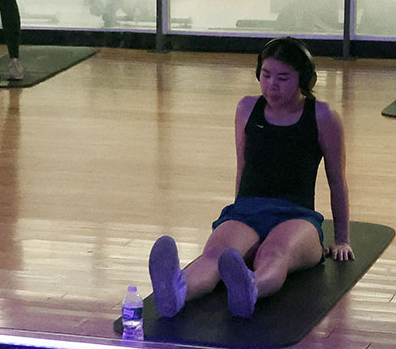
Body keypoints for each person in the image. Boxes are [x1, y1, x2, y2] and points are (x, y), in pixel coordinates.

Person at [147, 38, 353, 320]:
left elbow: (336, 180)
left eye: (283, 78)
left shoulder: (322, 116)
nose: (272, 85)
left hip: (298, 216)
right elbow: (242, 168)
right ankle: (177, 290)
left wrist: (342, 239)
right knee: (217, 253)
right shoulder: (246, 108)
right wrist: (235, 216)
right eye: (266, 76)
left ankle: (251, 288)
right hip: (248, 210)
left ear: (304, 80)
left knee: (275, 252)